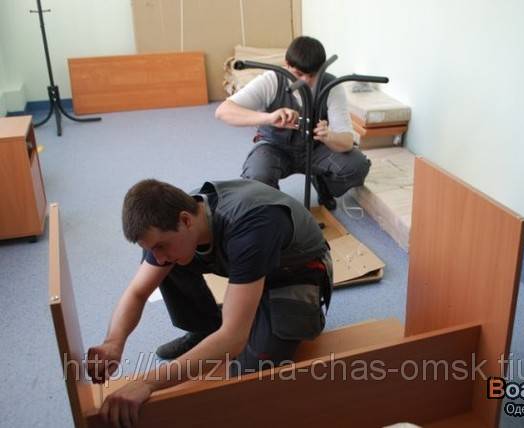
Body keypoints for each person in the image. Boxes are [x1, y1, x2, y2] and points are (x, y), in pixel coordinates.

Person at [87, 178, 332, 427]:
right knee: (168, 265)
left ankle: (299, 310)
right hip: (250, 262)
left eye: (160, 245)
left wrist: (146, 383)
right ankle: (204, 329)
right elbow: (137, 292)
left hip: (294, 271)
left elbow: (233, 338)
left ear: (185, 220)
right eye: (153, 249)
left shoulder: (251, 227)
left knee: (249, 376)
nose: (158, 257)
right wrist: (113, 342)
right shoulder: (172, 221)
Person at [215, 36, 370, 210]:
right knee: (257, 177)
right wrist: (269, 117)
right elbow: (223, 111)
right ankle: (278, 208)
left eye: (312, 75)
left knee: (357, 166)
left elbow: (347, 141)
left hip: (315, 149)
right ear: (287, 64)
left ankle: (323, 182)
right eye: (299, 74)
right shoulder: (272, 80)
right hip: (275, 147)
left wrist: (329, 136)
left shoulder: (331, 86)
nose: (305, 81)